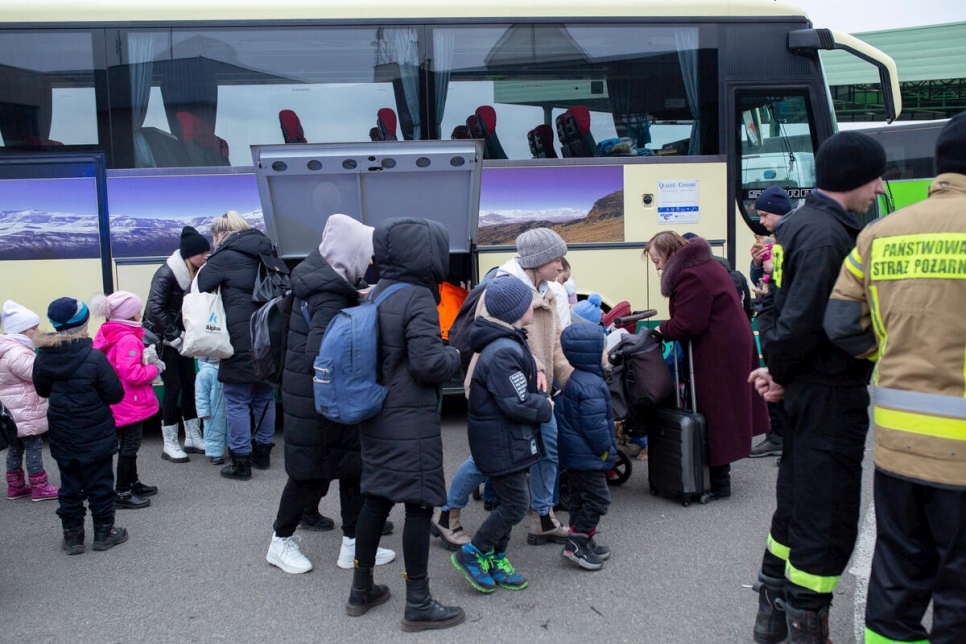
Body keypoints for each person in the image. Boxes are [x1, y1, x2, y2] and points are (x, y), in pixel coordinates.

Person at [823, 112, 966, 644]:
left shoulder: (880, 234)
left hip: (897, 448)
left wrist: (888, 351)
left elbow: (840, 323)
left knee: (898, 575)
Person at [748, 131, 886, 644]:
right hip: (828, 393)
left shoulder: (800, 225)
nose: (878, 187)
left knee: (794, 505)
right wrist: (781, 372)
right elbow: (808, 319)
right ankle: (808, 626)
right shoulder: (831, 236)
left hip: (806, 387)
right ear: (856, 177)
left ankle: (771, 616)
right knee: (825, 519)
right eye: (875, 176)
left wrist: (779, 371)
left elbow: (778, 309)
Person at [345, 217, 464, 632]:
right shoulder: (416, 298)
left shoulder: (378, 293)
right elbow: (429, 364)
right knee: (418, 505)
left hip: (376, 414)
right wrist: (457, 354)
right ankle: (418, 602)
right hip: (409, 418)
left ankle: (361, 589)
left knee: (375, 500)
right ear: (426, 253)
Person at [268, 214, 395, 575]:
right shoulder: (327, 292)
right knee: (309, 475)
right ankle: (280, 542)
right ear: (350, 252)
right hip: (317, 401)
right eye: (366, 253)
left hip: (322, 397)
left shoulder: (323, 280)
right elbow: (319, 353)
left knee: (352, 468)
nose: (370, 261)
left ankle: (354, 544)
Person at [646, 232, 768, 499]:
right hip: (727, 344)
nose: (657, 267)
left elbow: (689, 323)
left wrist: (660, 329)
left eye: (657, 260)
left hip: (719, 350)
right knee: (721, 409)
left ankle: (720, 482)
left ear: (669, 253)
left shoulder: (691, 275)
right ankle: (717, 476)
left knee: (716, 410)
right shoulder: (703, 265)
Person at [451, 276, 552, 593]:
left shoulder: (510, 339)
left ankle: (496, 558)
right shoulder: (503, 351)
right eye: (528, 302)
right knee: (516, 504)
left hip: (507, 441)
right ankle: (475, 552)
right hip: (501, 443)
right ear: (515, 311)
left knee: (507, 502)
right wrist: (545, 406)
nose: (532, 305)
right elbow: (516, 402)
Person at [491, 228, 573, 544]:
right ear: (538, 261)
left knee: (548, 451)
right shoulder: (502, 287)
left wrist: (570, 379)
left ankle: (543, 517)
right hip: (511, 392)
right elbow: (492, 339)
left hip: (540, 395)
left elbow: (553, 346)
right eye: (555, 259)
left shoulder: (547, 291)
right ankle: (447, 512)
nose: (560, 267)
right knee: (489, 460)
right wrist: (532, 365)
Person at [32, 298, 128, 554]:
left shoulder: (43, 356)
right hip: (96, 432)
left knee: (70, 484)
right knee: (100, 484)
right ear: (84, 324)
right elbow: (115, 395)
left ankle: (73, 537)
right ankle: (104, 534)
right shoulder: (94, 358)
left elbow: (42, 391)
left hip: (63, 433)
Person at [197, 211, 277, 480]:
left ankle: (241, 461)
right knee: (265, 395)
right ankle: (263, 454)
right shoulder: (267, 249)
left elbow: (202, 284)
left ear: (221, 233)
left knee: (237, 400)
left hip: (240, 336)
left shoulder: (225, 255)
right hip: (269, 334)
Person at [144, 225, 210, 463]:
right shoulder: (167, 273)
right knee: (173, 388)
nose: (205, 256)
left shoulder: (194, 272)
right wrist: (175, 336)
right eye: (201, 253)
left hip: (182, 339)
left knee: (190, 385)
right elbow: (155, 308)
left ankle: (193, 436)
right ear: (188, 254)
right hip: (165, 339)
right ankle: (169, 442)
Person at [91, 291, 162, 510]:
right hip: (129, 402)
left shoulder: (111, 333)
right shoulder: (128, 339)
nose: (140, 314)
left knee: (129, 444)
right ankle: (122, 491)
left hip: (120, 401)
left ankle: (132, 482)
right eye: (137, 310)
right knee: (130, 446)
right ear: (130, 315)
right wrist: (155, 367)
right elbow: (133, 374)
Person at [557, 323, 616, 570]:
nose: (606, 353)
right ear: (590, 353)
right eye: (602, 348)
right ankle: (577, 543)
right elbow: (595, 427)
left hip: (576, 455)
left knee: (581, 498)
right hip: (588, 455)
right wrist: (606, 451)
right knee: (598, 498)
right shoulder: (591, 385)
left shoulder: (579, 379)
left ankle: (583, 538)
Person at [748, 186, 794, 461]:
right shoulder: (777, 239)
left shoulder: (790, 237)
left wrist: (771, 267)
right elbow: (763, 284)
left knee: (778, 385)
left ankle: (782, 439)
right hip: (772, 320)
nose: (762, 222)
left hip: (779, 323)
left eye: (765, 215)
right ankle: (779, 438)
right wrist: (757, 264)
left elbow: (785, 280)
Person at [1, 300, 58, 502]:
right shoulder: (17, 352)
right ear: (22, 331)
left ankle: (16, 486)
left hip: (12, 412)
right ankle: (39, 486)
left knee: (15, 448)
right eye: (34, 328)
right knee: (33, 447)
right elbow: (35, 373)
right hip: (24, 410)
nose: (37, 331)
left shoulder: (7, 349)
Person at [195, 357, 227, 464]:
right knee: (213, 431)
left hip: (227, 407)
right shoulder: (204, 373)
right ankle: (215, 454)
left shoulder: (225, 368)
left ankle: (234, 448)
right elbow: (201, 395)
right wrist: (203, 411)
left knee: (231, 430)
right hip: (213, 411)